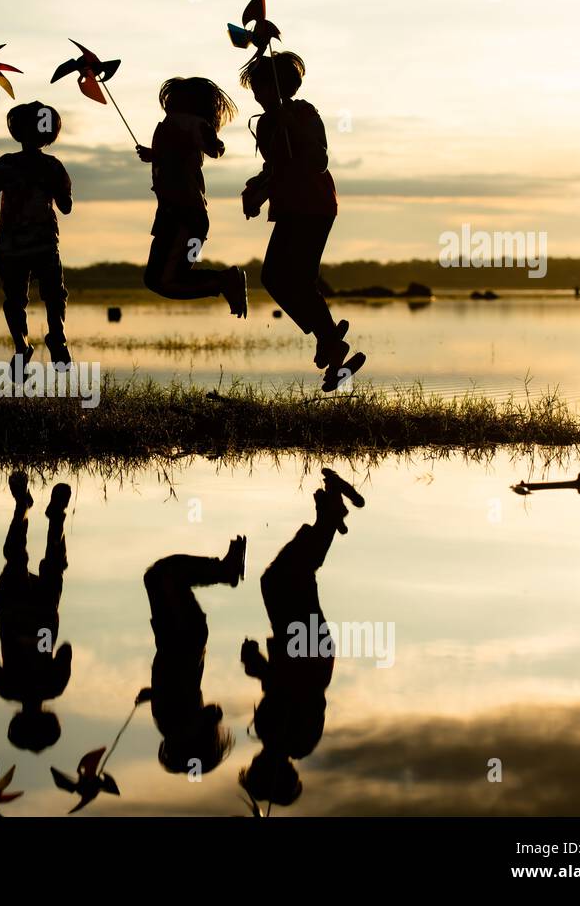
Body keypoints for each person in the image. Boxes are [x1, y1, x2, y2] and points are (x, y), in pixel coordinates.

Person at [239, 51, 365, 391]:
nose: (257, 94)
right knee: (277, 279)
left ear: (282, 86)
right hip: (290, 206)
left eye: (262, 86)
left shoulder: (305, 113)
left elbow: (319, 159)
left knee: (294, 278)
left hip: (314, 204)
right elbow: (275, 168)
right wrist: (256, 193)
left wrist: (292, 125)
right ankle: (328, 339)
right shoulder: (265, 124)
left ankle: (328, 339)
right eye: (255, 87)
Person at [239, 468, 363, 808]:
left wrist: (260, 669)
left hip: (305, 653)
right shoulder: (297, 740)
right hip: (307, 655)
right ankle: (329, 515)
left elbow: (278, 690)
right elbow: (294, 692)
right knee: (283, 578)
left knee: (285, 578)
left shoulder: (280, 737)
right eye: (255, 768)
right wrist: (258, 667)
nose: (253, 762)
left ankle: (328, 515)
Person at [0, 472, 73, 751]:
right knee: (17, 556)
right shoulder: (8, 689)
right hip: (15, 612)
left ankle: (51, 514)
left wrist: (40, 643)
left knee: (51, 566)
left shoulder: (53, 686)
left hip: (34, 615)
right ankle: (26, 507)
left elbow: (65, 651)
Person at [135, 77, 248, 317]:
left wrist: (163, 152)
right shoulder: (176, 123)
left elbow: (214, 148)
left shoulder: (189, 123)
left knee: (164, 280)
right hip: (175, 217)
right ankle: (225, 281)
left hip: (185, 217)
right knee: (156, 280)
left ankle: (224, 281)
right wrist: (157, 154)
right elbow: (185, 154)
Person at [0, 102, 73, 371]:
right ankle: (58, 338)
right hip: (44, 241)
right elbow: (66, 206)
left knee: (15, 299)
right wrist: (56, 188)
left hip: (10, 244)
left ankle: (21, 344)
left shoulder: (6, 164)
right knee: (54, 294)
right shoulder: (52, 166)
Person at [138, 535, 246, 777]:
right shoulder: (175, 728)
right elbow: (208, 711)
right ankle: (225, 571)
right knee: (163, 575)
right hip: (181, 637)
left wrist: (154, 693)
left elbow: (211, 711)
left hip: (178, 639)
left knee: (159, 576)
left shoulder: (173, 726)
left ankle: (224, 571)